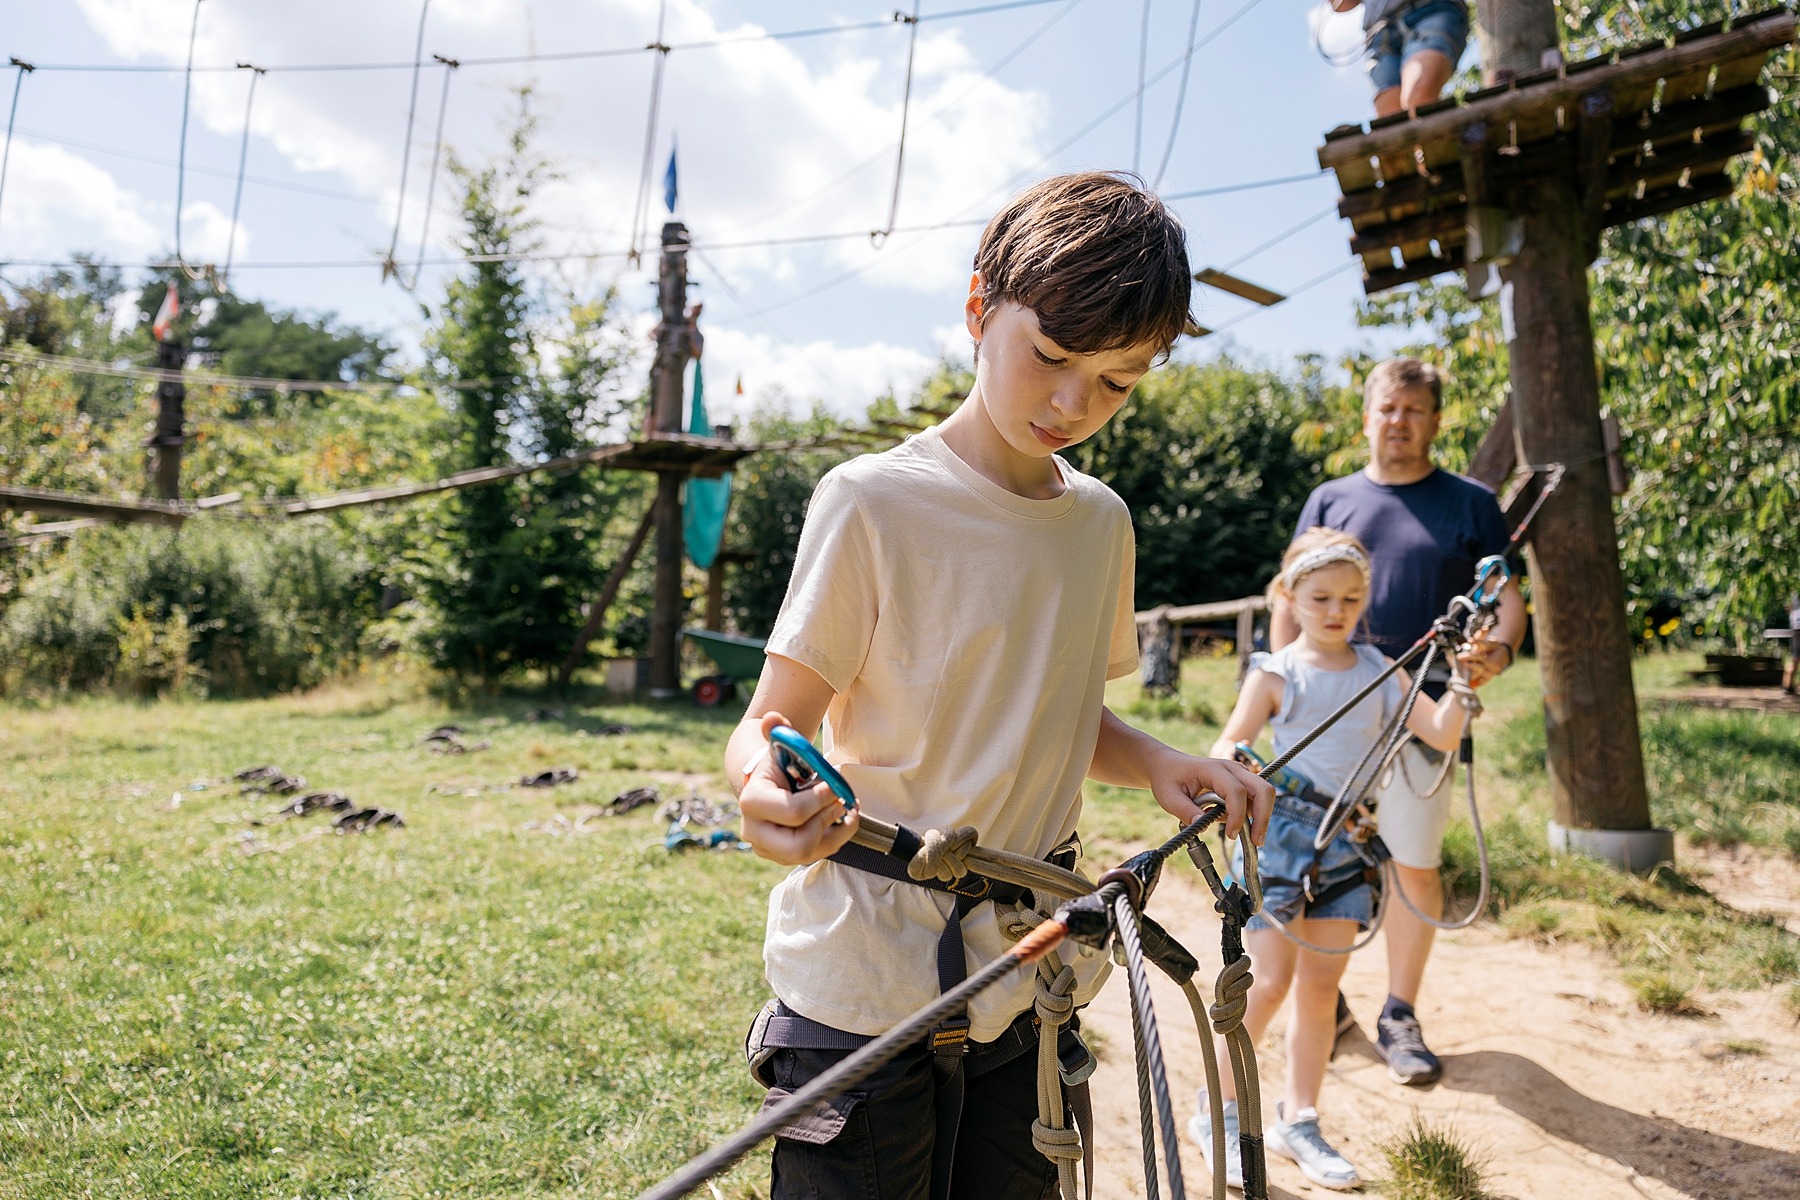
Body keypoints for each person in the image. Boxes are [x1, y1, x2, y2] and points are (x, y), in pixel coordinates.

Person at [723, 171, 1275, 1200]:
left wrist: (1162, 762)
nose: (1074, 403)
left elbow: (1061, 706)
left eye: (1117, 382)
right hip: (865, 977)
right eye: (1053, 358)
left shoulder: (1100, 524)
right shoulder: (872, 502)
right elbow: (774, 720)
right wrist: (765, 788)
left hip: (1031, 973)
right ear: (981, 307)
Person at [1189, 527, 1472, 1191]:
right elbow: (1232, 737)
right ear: (1290, 596)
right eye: (1320, 598)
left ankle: (1299, 1117)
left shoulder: (1382, 669)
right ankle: (1219, 1112)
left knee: (1320, 993)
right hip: (1278, 839)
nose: (1337, 610)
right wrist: (1232, 755)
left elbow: (1440, 731)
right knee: (1266, 984)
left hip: (1346, 844)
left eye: (1351, 597)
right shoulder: (1275, 672)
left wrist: (1464, 678)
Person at [1272, 357, 1525, 1087]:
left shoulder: (1472, 503)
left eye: (1414, 410)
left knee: (1412, 860)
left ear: (1436, 421)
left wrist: (1497, 653)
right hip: (1333, 705)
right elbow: (1289, 590)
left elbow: (1506, 597)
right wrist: (1280, 680)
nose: (1399, 422)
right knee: (1323, 852)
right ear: (1367, 416)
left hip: (1425, 702)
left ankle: (1398, 1013)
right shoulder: (1330, 498)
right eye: (1388, 409)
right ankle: (1330, 1001)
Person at [1329, 0, 1470, 118]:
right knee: (1391, 121)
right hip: (1379, 32)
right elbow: (1340, 5)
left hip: (1428, 9)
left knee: (1419, 98)